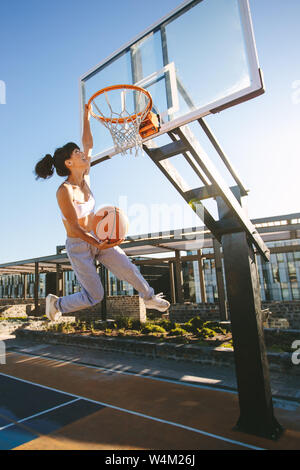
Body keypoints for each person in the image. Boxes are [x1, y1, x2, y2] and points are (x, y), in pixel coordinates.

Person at [34, 104, 170, 321]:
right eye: (77, 153)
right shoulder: (64, 191)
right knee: (95, 296)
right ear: (69, 163)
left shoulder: (85, 175)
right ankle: (57, 303)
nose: (82, 153)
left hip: (98, 237)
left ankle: (149, 297)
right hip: (79, 246)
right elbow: (76, 228)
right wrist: (98, 244)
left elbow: (88, 142)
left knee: (128, 267)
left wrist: (86, 115)